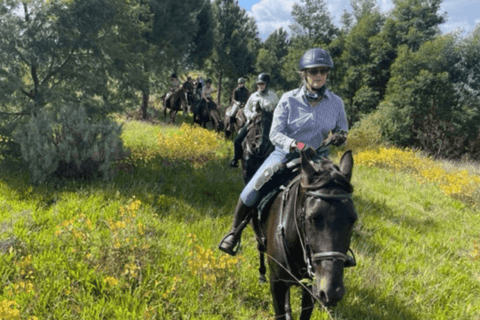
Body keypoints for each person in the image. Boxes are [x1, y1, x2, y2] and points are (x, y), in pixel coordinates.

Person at [219, 48, 349, 256]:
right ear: (304, 74)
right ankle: (234, 233)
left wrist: (341, 136)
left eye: (323, 71)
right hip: (286, 155)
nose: (318, 76)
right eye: (313, 71)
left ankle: (339, 249)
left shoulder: (336, 103)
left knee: (340, 197)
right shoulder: (288, 100)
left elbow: (343, 128)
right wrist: (298, 146)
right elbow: (275, 134)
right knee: (252, 189)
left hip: (319, 159)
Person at [229, 73, 279, 168]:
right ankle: (236, 159)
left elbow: (278, 109)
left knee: (280, 141)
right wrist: (252, 116)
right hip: (254, 122)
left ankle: (279, 163)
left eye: (262, 84)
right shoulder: (253, 96)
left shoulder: (274, 96)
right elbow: (247, 109)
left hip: (269, 123)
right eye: (259, 84)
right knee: (237, 140)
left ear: (267, 84)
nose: (260, 86)